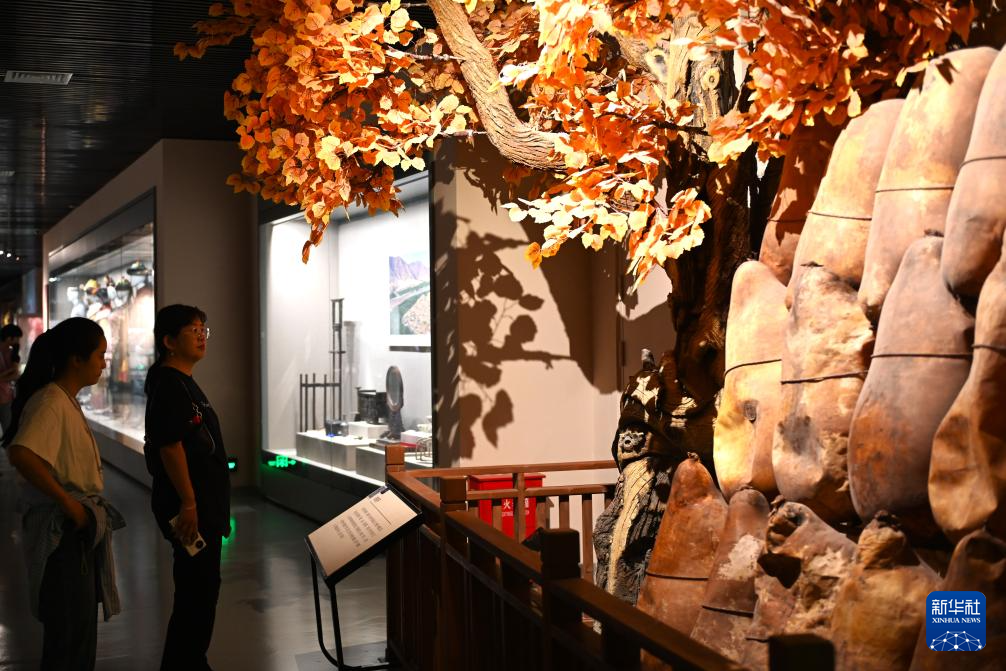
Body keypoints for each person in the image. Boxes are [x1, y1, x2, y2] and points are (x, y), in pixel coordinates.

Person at [3, 317, 124, 671]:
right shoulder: (51, 402)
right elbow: (22, 453)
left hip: (74, 532)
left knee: (76, 632)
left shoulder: (63, 400)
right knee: (69, 636)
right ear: (76, 359)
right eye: (99, 355)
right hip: (63, 537)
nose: (104, 363)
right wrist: (68, 503)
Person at [144, 305, 230, 671]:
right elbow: (170, 446)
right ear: (168, 341)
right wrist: (189, 503)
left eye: (202, 329)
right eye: (192, 330)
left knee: (200, 592)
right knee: (197, 594)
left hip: (203, 508)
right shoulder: (170, 384)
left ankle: (189, 661)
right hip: (192, 511)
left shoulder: (182, 382)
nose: (200, 335)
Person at [0, 323, 23, 437]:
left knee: (8, 432)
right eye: (17, 338)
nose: (18, 342)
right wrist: (7, 374)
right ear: (9, 338)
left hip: (6, 397)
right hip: (5, 396)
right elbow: (14, 374)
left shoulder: (11, 354)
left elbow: (16, 375)